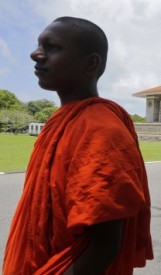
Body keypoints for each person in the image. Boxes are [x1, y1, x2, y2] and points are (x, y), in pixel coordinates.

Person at [2, 17, 153, 274]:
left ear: (91, 63)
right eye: (39, 44)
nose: (35, 54)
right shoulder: (61, 119)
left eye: (52, 47)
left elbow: (103, 246)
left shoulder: (101, 130)